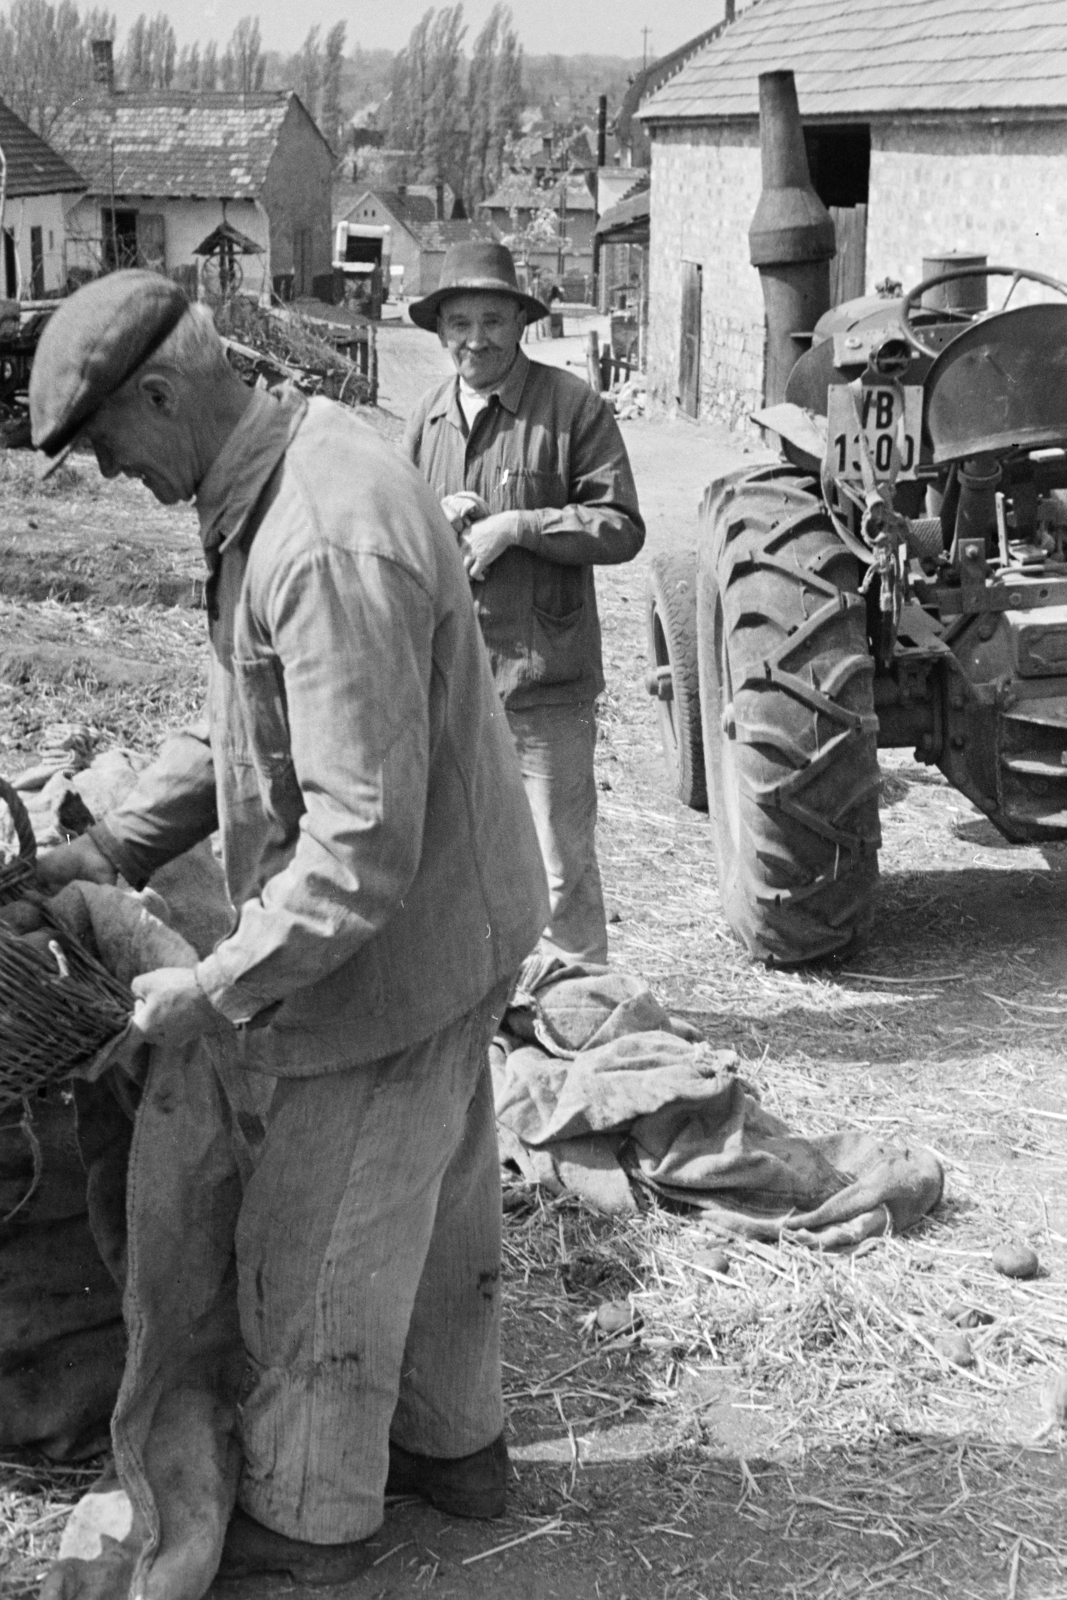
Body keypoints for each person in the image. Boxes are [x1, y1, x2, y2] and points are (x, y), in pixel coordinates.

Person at [29, 269, 548, 1600]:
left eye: (105, 445)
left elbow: (359, 846)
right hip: (450, 920)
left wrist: (216, 981)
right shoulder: (272, 483)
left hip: (386, 954)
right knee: (429, 1219)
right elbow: (245, 729)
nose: (108, 475)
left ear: (160, 392)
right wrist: (110, 850)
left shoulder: (320, 535)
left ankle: (314, 1525)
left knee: (312, 1255)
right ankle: (455, 1451)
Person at [405, 241, 645, 968]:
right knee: (454, 860)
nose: (474, 339)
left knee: (558, 868)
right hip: (450, 684)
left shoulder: (572, 408)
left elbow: (621, 527)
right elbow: (394, 542)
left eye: (490, 320)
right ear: (440, 330)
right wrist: (430, 516)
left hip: (543, 684)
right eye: (458, 322)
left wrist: (522, 527)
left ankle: (580, 1017)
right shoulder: (427, 420)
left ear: (520, 323)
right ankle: (480, 1011)